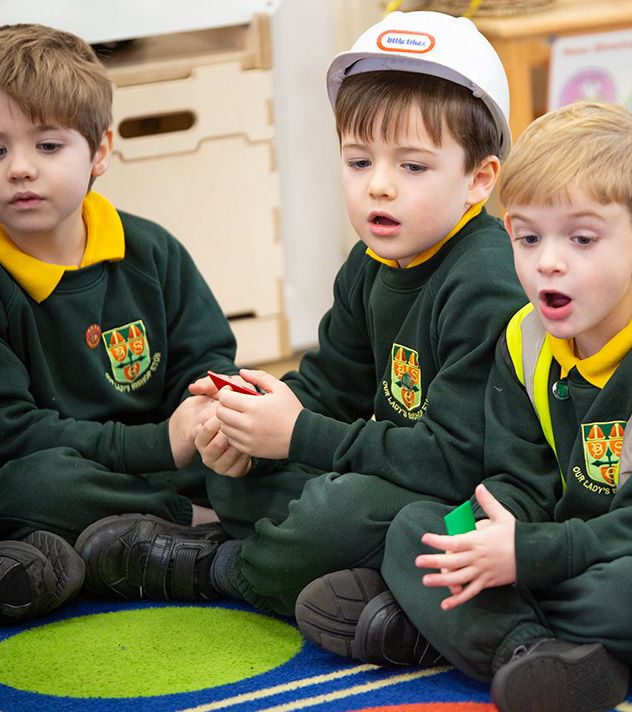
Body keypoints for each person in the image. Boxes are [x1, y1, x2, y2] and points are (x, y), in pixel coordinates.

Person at [292, 101, 632, 712]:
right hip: (561, 545)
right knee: (417, 530)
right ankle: (533, 653)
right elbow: (518, 479)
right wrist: (491, 535)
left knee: (615, 599)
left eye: (582, 238)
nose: (548, 261)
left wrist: (526, 557)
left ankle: (457, 628)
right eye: (528, 236)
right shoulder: (525, 338)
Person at [75, 11, 526, 618]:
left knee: (339, 515)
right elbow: (328, 388)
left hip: (477, 502)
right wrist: (249, 422)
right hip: (401, 474)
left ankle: (227, 568)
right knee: (238, 476)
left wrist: (298, 433)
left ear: (479, 179)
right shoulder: (371, 263)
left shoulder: (487, 281)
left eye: (412, 166)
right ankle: (365, 587)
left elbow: (453, 461)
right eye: (360, 161)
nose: (379, 187)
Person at [0, 24, 239, 623]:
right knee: (34, 489)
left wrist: (209, 420)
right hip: (48, 468)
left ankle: (107, 547)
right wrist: (157, 446)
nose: (20, 169)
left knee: (269, 447)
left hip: (161, 461)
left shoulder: (152, 251)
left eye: (47, 147)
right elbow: (6, 433)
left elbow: (207, 361)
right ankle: (194, 534)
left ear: (98, 152)